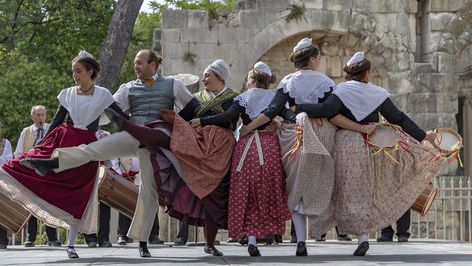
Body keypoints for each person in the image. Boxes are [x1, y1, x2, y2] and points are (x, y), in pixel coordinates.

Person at [22, 49, 201, 257]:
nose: (136, 66)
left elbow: (192, 107)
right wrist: (83, 115)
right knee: (93, 150)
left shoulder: (173, 85)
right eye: (135, 63)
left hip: (154, 143)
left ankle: (142, 240)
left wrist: (182, 126)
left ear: (153, 65)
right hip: (132, 134)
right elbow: (106, 113)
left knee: (148, 189)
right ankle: (51, 163)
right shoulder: (128, 88)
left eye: (140, 63)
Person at [289, 51, 443, 256]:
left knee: (345, 190)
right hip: (374, 145)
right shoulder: (378, 94)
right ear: (367, 73)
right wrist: (423, 136)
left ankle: (335, 231)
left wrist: (298, 107)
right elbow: (399, 118)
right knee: (366, 190)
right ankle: (363, 237)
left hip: (346, 145)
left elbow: (325, 110)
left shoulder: (341, 92)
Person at [240, 38, 372, 256]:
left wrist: (253, 126)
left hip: (294, 135)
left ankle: (301, 240)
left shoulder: (286, 82)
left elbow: (274, 109)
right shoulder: (327, 83)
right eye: (318, 57)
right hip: (320, 134)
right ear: (312, 59)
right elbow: (331, 110)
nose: (319, 61)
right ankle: (361, 236)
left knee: (296, 186)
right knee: (330, 181)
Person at [103, 59, 238, 256]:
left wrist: (203, 120)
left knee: (213, 194)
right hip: (198, 144)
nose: (203, 78)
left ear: (220, 77)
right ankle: (129, 126)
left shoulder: (234, 98)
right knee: (165, 133)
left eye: (208, 75)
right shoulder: (198, 98)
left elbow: (229, 118)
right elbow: (183, 117)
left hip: (220, 149)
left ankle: (209, 243)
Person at [0, 50, 128, 259]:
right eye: (73, 72)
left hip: (86, 148)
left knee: (78, 194)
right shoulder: (67, 93)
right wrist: (40, 146)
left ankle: (71, 245)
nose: (75, 75)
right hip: (64, 140)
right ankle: (5, 174)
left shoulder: (103, 94)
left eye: (78, 71)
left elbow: (121, 118)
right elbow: (58, 121)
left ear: (90, 71)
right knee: (21, 165)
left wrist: (139, 132)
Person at [190, 62, 292, 256]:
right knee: (267, 189)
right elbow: (288, 115)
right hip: (268, 147)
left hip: (245, 148)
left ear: (251, 81)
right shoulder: (274, 98)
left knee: (246, 191)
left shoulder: (242, 98)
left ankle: (251, 237)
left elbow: (227, 117)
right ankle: (266, 232)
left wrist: (202, 120)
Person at [14, 105, 61, 247]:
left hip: (48, 173)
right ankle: (31, 238)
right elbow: (18, 153)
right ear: (32, 116)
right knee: (32, 206)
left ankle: (52, 238)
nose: (41, 118)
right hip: (31, 175)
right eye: (38, 115)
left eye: (43, 115)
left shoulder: (52, 130)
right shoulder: (26, 132)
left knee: (49, 205)